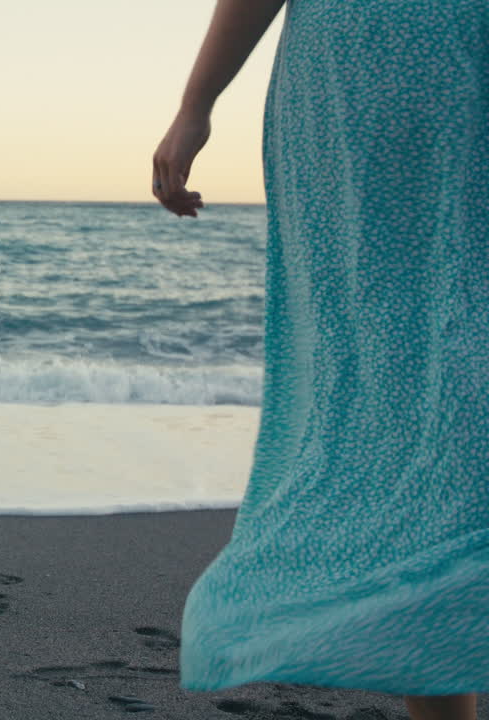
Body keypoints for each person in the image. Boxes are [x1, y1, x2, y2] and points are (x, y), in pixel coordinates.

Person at [152, 2, 488, 719]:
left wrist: (196, 105)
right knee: (403, 397)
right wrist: (195, 105)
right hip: (365, 82)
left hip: (390, 71)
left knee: (435, 400)